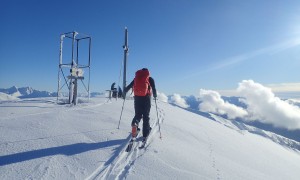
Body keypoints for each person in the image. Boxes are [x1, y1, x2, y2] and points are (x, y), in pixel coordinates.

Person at [124, 68, 157, 141]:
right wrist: (155, 95)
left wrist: (125, 90)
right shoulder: (150, 79)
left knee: (138, 114)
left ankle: (135, 124)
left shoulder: (136, 78)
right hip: (146, 98)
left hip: (137, 98)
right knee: (146, 115)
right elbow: (154, 88)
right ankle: (145, 133)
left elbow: (129, 86)